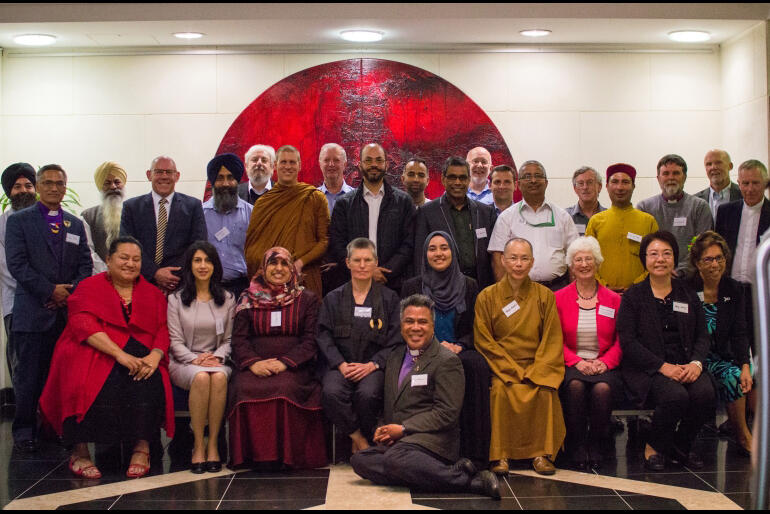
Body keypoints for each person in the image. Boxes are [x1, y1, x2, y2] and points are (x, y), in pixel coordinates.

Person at [39, 236, 174, 479]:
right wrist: (120, 355)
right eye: (124, 258)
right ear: (109, 260)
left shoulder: (152, 293)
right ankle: (80, 452)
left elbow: (163, 329)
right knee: (81, 378)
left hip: (141, 349)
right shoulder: (89, 286)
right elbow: (83, 323)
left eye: (136, 259)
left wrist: (155, 355)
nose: (130, 264)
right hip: (94, 346)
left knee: (150, 377)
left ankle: (142, 448)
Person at [350, 295, 501, 499]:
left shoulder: (447, 361)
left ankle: (470, 482)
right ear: (401, 325)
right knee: (360, 461)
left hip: (434, 440)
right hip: (401, 441)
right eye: (409, 321)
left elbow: (447, 413)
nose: (415, 327)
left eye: (423, 322)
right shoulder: (395, 357)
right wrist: (384, 429)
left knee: (395, 461)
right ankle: (445, 473)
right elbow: (392, 403)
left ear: (432, 325)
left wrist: (403, 429)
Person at [6, 164, 93, 453]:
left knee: (61, 377)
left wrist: (68, 294)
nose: (54, 188)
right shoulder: (19, 222)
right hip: (32, 312)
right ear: (39, 186)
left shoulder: (75, 224)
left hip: (64, 313)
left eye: (60, 183)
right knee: (29, 376)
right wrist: (49, 290)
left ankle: (54, 427)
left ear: (65, 188)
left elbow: (85, 265)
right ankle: (24, 431)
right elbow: (17, 265)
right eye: (48, 182)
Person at [617, 231, 714, 471]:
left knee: (706, 394)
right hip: (649, 368)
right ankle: (654, 445)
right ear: (645, 259)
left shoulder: (687, 293)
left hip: (686, 364)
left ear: (674, 258)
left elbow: (703, 334)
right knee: (676, 396)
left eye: (666, 253)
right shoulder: (633, 296)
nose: (660, 259)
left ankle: (680, 445)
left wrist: (696, 364)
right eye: (653, 254)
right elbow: (628, 343)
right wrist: (662, 367)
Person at [227, 247, 326, 469]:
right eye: (273, 263)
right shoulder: (247, 299)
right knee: (242, 387)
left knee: (285, 387)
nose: (278, 269)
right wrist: (254, 364)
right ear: (263, 268)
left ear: (292, 269)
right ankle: (251, 458)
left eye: (284, 264)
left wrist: (284, 363)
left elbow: (311, 340)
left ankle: (286, 458)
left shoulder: (307, 299)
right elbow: (239, 340)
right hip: (255, 366)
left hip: (294, 367)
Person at [474, 237, 565, 476]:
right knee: (501, 393)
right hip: (502, 368)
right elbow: (484, 340)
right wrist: (510, 370)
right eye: (513, 258)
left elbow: (552, 338)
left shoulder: (545, 296)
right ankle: (501, 455)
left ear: (532, 262)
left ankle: (540, 454)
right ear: (502, 260)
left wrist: (537, 370)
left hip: (537, 365)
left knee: (544, 391)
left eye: (524, 258)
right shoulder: (487, 296)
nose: (518, 264)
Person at [402, 231, 491, 469]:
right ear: (425, 254)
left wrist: (459, 344)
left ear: (453, 251)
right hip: (424, 351)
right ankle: (429, 447)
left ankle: (476, 454)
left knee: (477, 367)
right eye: (432, 249)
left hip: (459, 348)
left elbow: (476, 326)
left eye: (444, 248)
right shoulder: (413, 286)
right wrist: (434, 346)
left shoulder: (470, 285)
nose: (438, 253)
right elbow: (407, 327)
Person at [317, 238, 401, 455]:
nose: (362, 265)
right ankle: (360, 439)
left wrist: (373, 365)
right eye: (357, 260)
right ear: (347, 263)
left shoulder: (390, 299)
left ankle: (366, 439)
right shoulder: (332, 299)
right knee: (331, 392)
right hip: (341, 366)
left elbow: (397, 340)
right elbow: (323, 336)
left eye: (367, 260)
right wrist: (341, 364)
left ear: (376, 263)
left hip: (373, 367)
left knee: (367, 394)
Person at [554, 236, 622, 470]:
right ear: (571, 266)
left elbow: (621, 340)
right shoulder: (558, 298)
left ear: (597, 263)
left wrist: (605, 362)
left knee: (602, 389)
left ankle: (598, 442)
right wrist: (576, 361)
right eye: (578, 260)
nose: (584, 264)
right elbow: (555, 339)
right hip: (571, 363)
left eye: (588, 259)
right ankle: (577, 443)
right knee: (575, 387)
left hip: (604, 364)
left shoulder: (613, 300)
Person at [168, 241, 235, 473]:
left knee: (216, 377)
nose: (203, 265)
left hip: (217, 361)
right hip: (184, 362)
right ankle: (198, 445)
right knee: (201, 377)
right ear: (190, 265)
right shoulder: (175, 300)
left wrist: (216, 358)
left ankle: (213, 444)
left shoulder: (227, 298)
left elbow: (229, 340)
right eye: (197, 260)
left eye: (207, 260)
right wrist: (195, 359)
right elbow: (175, 341)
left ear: (215, 265)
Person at [687, 231, 753, 456]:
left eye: (719, 258)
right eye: (708, 259)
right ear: (697, 263)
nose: (715, 264)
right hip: (693, 357)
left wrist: (745, 364)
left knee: (738, 375)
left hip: (723, 356)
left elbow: (740, 332)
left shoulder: (734, 289)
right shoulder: (686, 288)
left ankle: (743, 435)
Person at [244, 145, 329, 297]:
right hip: (270, 280)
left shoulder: (315, 197)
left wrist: (299, 263)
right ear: (275, 165)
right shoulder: (263, 203)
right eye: (283, 162)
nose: (288, 167)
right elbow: (252, 248)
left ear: (300, 165)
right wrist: (273, 269)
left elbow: (323, 241)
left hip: (305, 277)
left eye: (292, 162)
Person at [329, 143, 416, 292]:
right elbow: (338, 244)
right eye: (368, 160)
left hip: (392, 284)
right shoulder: (344, 204)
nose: (374, 165)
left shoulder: (404, 202)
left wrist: (386, 271)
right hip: (354, 284)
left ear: (387, 165)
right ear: (360, 165)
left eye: (379, 160)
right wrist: (364, 270)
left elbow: (408, 244)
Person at [120, 155, 207, 293]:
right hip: (141, 284)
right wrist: (155, 273)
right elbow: (127, 246)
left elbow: (198, 245)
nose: (164, 176)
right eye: (159, 172)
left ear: (177, 176)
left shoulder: (193, 206)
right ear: (149, 175)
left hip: (180, 286)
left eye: (169, 172)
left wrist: (172, 276)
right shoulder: (131, 207)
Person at [487, 160, 578, 291]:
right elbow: (497, 258)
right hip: (519, 289)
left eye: (538, 176)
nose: (533, 180)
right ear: (518, 184)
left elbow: (574, 255)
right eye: (527, 176)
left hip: (558, 288)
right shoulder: (506, 217)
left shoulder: (562, 216)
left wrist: (572, 291)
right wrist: (505, 293)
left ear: (546, 183)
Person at [413, 156, 497, 289]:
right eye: (452, 177)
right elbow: (419, 257)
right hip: (442, 289)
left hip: (481, 287)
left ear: (469, 180)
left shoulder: (486, 212)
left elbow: (493, 258)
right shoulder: (426, 213)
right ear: (443, 179)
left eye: (463, 178)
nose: (458, 182)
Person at [715, 159, 770, 355]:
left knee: (760, 343)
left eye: (755, 183)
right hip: (731, 286)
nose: (750, 188)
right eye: (745, 183)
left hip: (761, 290)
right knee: (729, 341)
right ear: (738, 183)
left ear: (765, 183)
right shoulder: (726, 211)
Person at [585, 163, 659, 294]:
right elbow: (587, 258)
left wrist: (636, 286)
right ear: (607, 186)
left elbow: (656, 259)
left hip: (641, 293)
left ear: (633, 186)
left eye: (625, 182)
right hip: (602, 294)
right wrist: (603, 286)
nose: (620, 187)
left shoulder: (648, 221)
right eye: (615, 182)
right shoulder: (596, 221)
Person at [637, 154, 712, 272]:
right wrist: (661, 269)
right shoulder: (644, 207)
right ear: (658, 178)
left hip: (690, 278)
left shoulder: (699, 207)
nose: (671, 178)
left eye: (676, 173)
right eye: (666, 173)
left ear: (685, 177)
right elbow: (641, 248)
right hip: (655, 275)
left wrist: (680, 271)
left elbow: (702, 246)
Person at [0, 163, 37, 378]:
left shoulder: (48, 218)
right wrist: (42, 291)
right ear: (9, 192)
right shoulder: (3, 225)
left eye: (29, 185)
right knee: (21, 365)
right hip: (16, 305)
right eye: (17, 186)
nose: (23, 190)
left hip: (51, 305)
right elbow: (7, 268)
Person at [202, 154, 253, 299]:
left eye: (230, 177)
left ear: (237, 180)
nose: (225, 183)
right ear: (212, 182)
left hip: (242, 289)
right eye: (219, 178)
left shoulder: (252, 213)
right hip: (208, 288)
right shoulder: (200, 214)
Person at [81, 161, 128, 273]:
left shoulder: (134, 212)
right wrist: (107, 271)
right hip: (100, 276)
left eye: (117, 182)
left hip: (131, 276)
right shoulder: (88, 216)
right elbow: (88, 251)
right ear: (100, 187)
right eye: (107, 183)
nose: (113, 187)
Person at [695, 149, 742, 222]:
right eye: (709, 164)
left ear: (730, 166)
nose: (713, 167)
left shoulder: (744, 195)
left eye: (718, 163)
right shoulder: (695, 201)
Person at [565, 166, 606, 236]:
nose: (585, 187)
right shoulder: (565, 216)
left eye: (590, 182)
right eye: (581, 183)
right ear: (575, 189)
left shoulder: (608, 217)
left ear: (599, 187)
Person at [318, 143, 354, 214]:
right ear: (320, 164)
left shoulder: (357, 198)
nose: (331, 164)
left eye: (336, 160)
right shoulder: (311, 198)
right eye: (326, 160)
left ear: (345, 164)